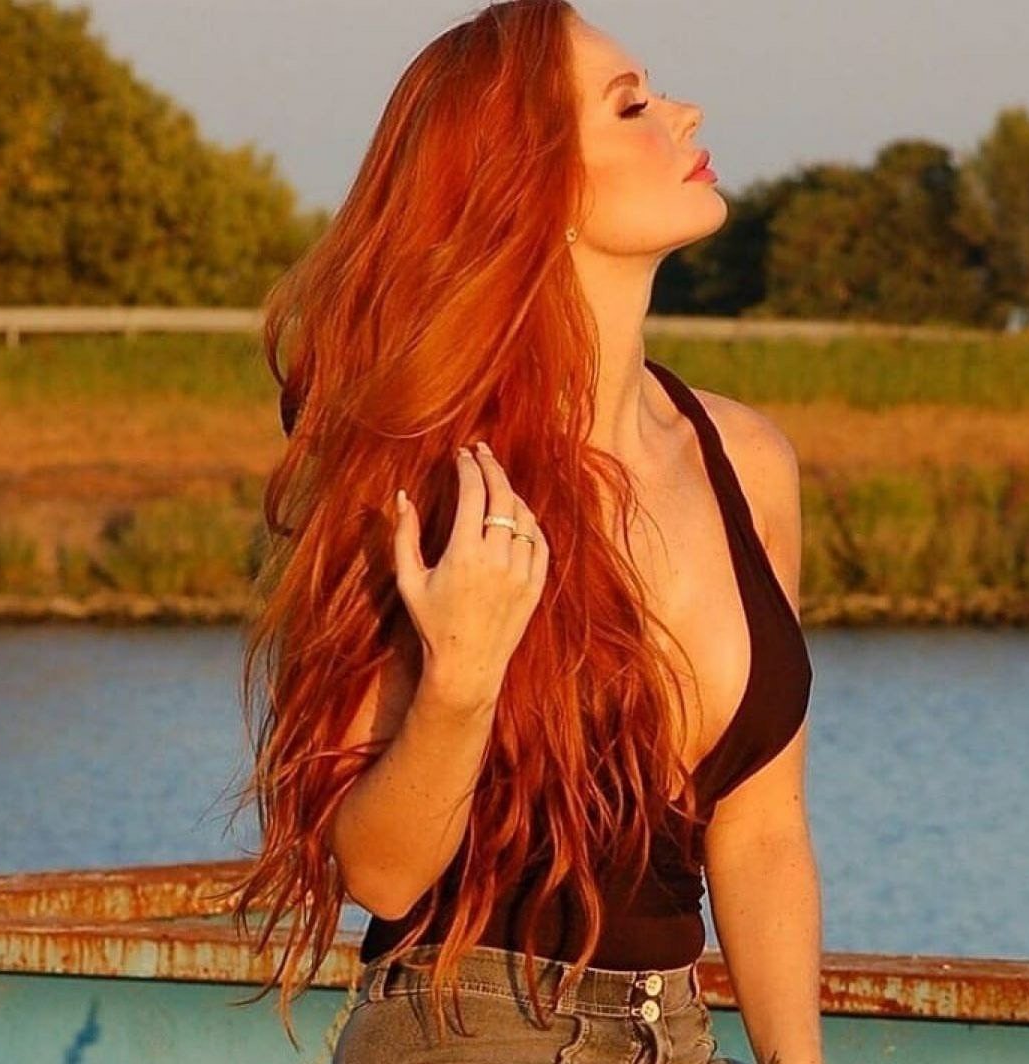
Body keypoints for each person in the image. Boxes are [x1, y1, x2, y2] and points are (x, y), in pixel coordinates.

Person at [228, 2, 823, 1062]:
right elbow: (381, 873)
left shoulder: (747, 461)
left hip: (675, 1030)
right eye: (632, 107)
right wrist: (462, 681)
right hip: (468, 1023)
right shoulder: (431, 472)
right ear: (532, 185)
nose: (686, 113)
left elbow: (763, 829)